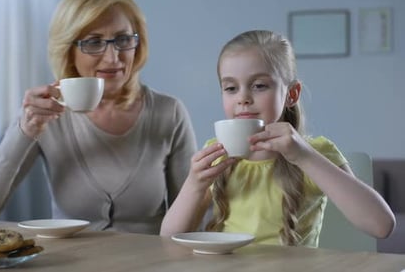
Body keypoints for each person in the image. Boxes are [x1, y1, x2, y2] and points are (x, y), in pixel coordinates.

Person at [0, 0, 197, 235]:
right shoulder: (45, 114)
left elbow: (195, 215)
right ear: (69, 51)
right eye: (94, 42)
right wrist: (23, 132)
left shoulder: (168, 112)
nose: (112, 57)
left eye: (123, 39)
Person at [160, 30, 395, 246]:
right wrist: (194, 183)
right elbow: (167, 240)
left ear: (291, 94)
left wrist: (304, 156)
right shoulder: (217, 154)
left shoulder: (314, 152)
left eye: (259, 85)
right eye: (231, 88)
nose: (243, 98)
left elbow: (381, 225)